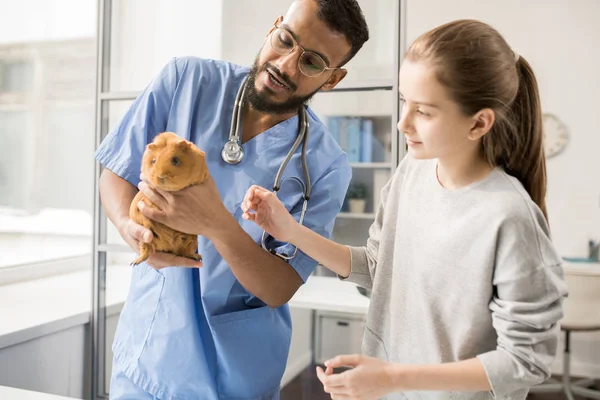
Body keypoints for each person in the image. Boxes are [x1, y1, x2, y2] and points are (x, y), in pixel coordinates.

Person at [242, 19, 569, 400]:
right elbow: (379, 268)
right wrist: (290, 230)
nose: (402, 123)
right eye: (404, 102)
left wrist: (394, 377)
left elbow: (526, 361)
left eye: (425, 112)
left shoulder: (509, 217)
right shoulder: (411, 172)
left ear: (479, 123)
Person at [94, 0, 369, 398]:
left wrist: (215, 223)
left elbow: (279, 288)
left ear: (332, 79)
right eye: (285, 40)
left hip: (237, 375)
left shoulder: (325, 167)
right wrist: (127, 226)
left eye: (311, 63)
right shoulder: (185, 79)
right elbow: (116, 170)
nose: (285, 65)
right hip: (150, 355)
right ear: (274, 27)